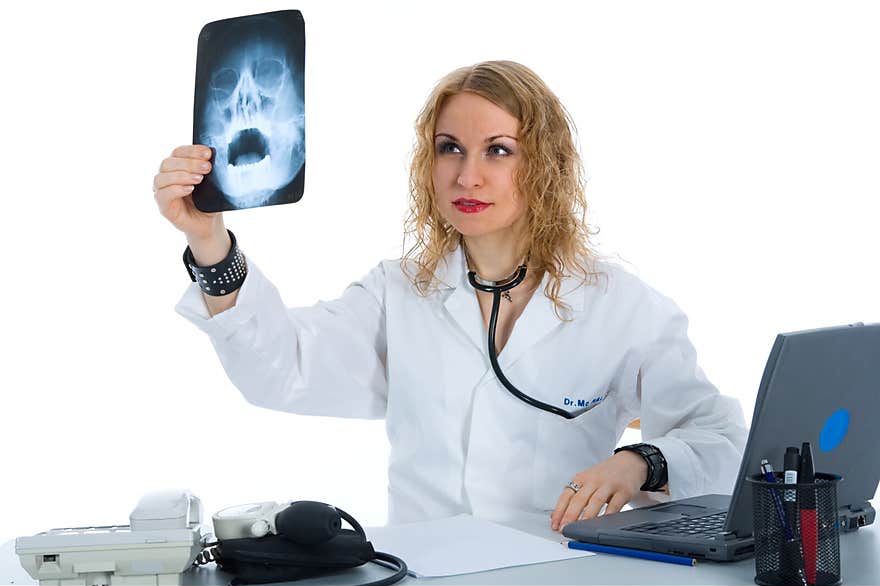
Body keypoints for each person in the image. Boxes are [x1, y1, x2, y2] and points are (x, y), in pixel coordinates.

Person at [154, 60, 747, 531]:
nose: (467, 176)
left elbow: (722, 441)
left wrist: (642, 461)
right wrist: (209, 241)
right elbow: (280, 370)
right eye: (449, 148)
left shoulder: (621, 306)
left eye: (498, 149)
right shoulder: (398, 292)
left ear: (544, 164)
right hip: (425, 581)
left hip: (561, 576)